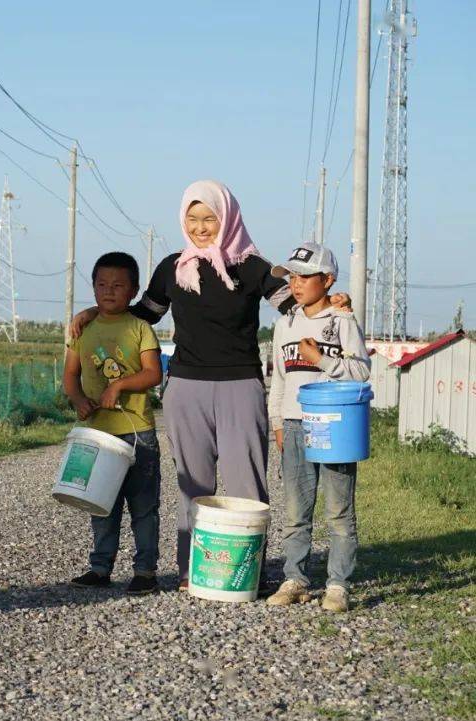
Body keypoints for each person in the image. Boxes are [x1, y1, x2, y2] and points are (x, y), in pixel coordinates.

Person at [71, 180, 350, 590]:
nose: (201, 227)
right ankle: (192, 571)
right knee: (193, 482)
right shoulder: (172, 267)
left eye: (210, 218)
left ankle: (246, 570)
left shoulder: (252, 266)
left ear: (228, 217)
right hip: (186, 387)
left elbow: (296, 305)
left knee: (246, 483)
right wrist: (98, 309)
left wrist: (333, 303)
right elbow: (143, 314)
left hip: (240, 384)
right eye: (193, 218)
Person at [265, 243, 370, 613]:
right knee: (296, 509)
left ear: (327, 280)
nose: (296, 283)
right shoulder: (284, 323)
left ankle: (338, 585)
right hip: (294, 424)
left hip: (335, 424)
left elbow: (361, 371)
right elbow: (278, 379)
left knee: (339, 511)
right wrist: (277, 421)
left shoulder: (342, 320)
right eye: (292, 276)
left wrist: (320, 359)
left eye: (305, 276)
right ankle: (295, 578)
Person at [64, 252, 164, 595]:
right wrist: (78, 400)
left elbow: (154, 373)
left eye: (119, 285)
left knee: (143, 506)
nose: (109, 291)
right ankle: (100, 567)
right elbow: (70, 376)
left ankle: (145, 571)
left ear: (134, 290)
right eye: (102, 284)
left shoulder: (140, 328)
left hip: (138, 432)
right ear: (92, 288)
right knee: (100, 503)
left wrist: (118, 385)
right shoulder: (83, 329)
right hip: (98, 434)